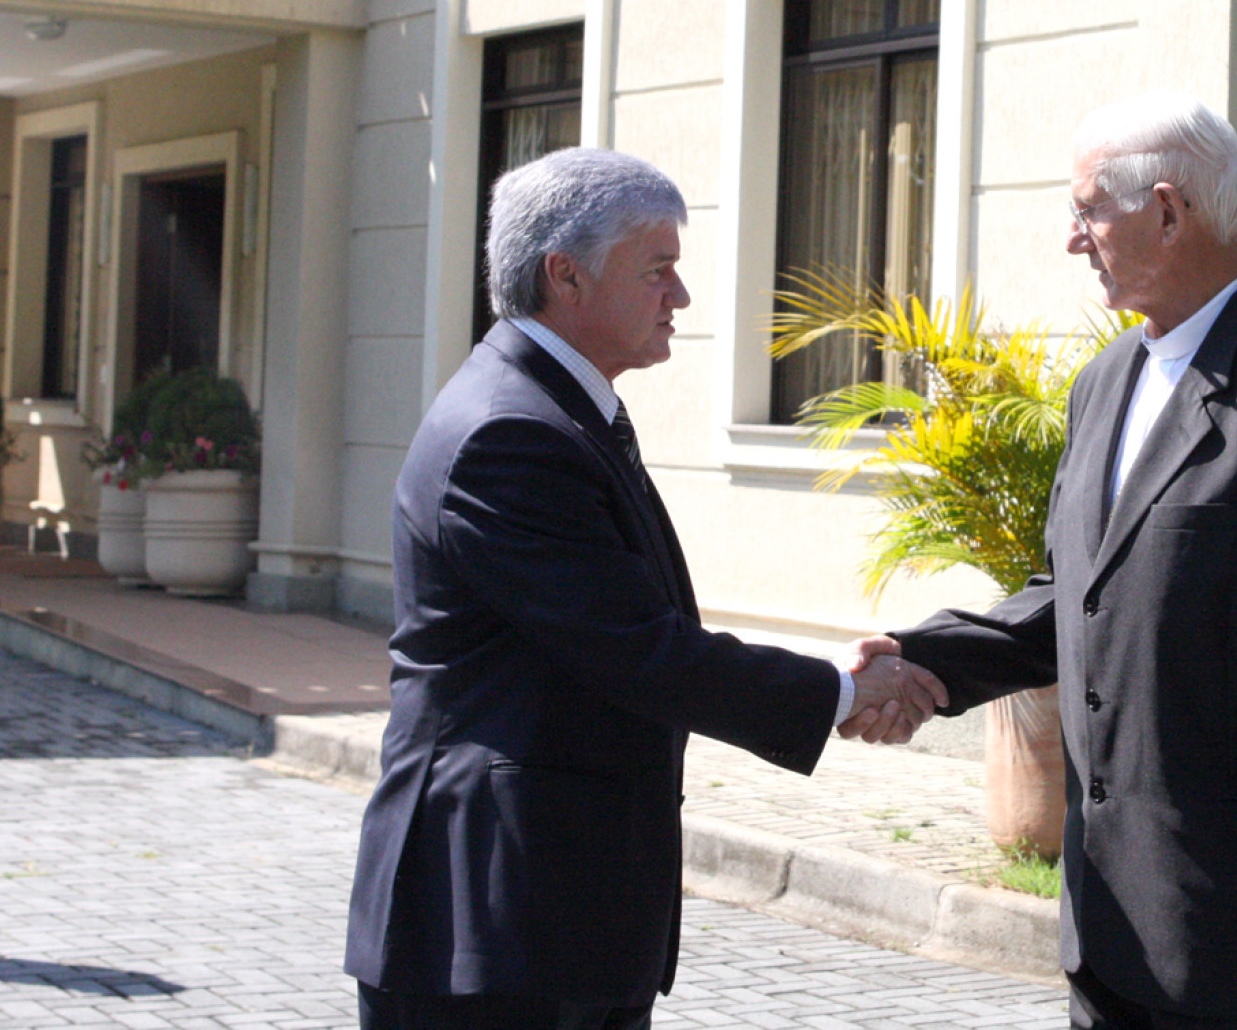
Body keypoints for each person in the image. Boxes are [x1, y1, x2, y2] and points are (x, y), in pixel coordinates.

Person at [859, 93, 1237, 1030]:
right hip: (1109, 934)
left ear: (1168, 211)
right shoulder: (1105, 382)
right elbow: (1079, 596)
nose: (1072, 239)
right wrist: (925, 661)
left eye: (1087, 210)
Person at [344, 148, 945, 1030]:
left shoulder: (552, 409)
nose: (682, 297)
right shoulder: (510, 435)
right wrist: (844, 691)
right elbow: (638, 650)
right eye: (658, 269)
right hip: (490, 925)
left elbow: (636, 632)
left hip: (547, 920)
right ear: (566, 276)